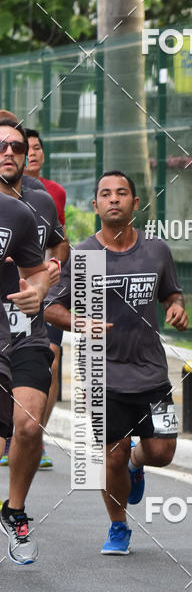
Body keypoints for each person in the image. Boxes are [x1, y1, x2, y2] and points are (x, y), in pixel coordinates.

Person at [45, 170, 188, 555]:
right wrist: (81, 323)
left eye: (121, 193)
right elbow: (51, 308)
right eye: (105, 194)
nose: (114, 199)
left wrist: (176, 308)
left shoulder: (156, 250)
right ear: (95, 206)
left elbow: (172, 294)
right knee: (113, 453)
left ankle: (138, 465)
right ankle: (118, 526)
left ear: (134, 204)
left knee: (163, 452)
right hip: (102, 377)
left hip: (153, 374)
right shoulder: (85, 255)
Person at [0, 119, 68, 564]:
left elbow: (40, 267)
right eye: (1, 145)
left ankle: (15, 510)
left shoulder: (25, 211)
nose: (9, 152)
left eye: (17, 147)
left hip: (24, 331)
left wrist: (40, 290)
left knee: (28, 425)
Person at [25, 127, 68, 468]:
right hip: (10, 297)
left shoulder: (51, 194)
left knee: (50, 361)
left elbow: (60, 242)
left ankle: (35, 435)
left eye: (37, 148)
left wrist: (52, 269)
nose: (32, 153)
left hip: (48, 293)